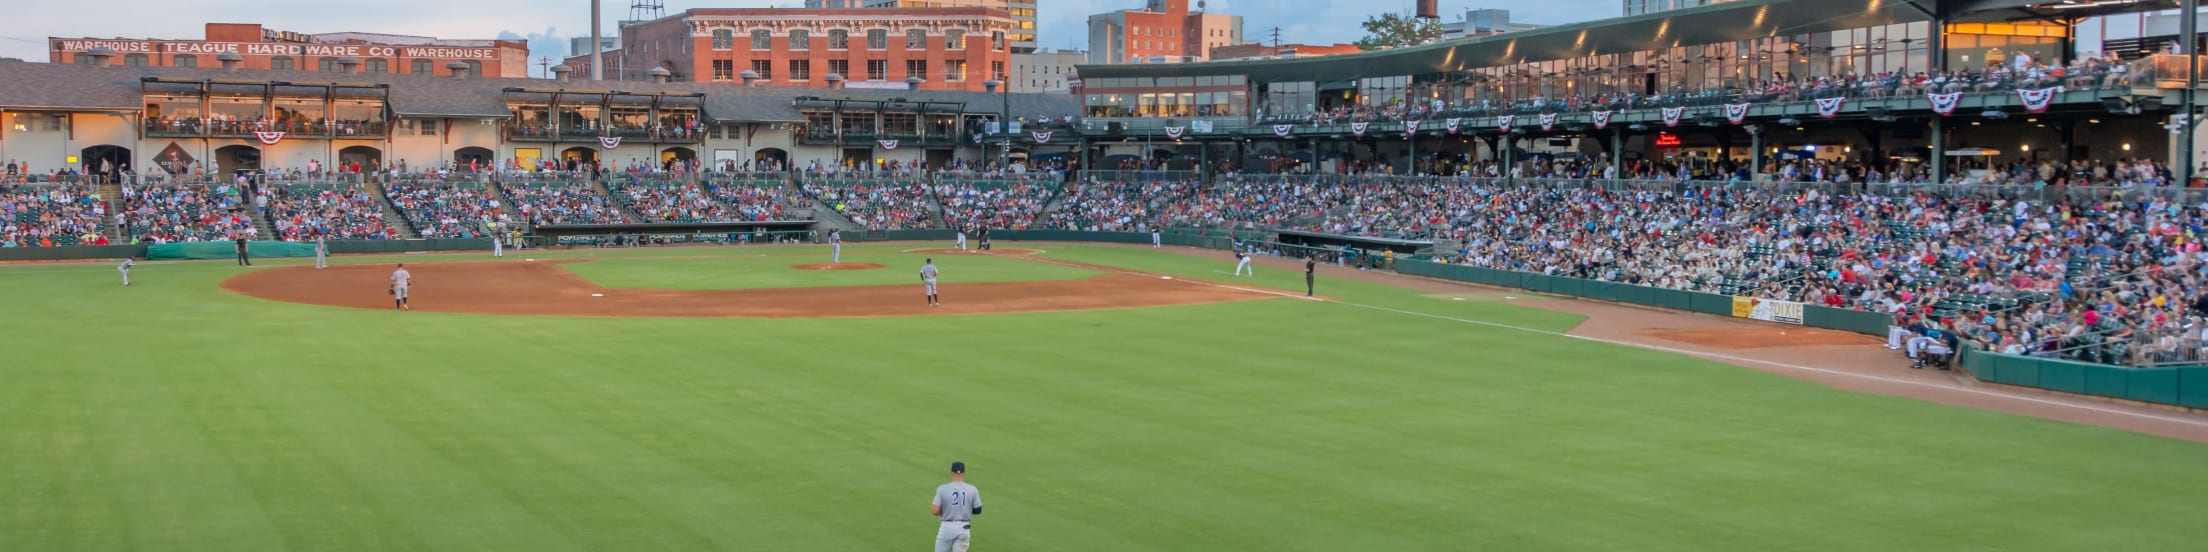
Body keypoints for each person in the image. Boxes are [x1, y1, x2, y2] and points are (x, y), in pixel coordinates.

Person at [930, 461, 982, 552]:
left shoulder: (942, 489)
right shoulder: (972, 489)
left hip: (947, 527)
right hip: (964, 528)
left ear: (951, 473)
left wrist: (945, 510)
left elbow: (934, 511)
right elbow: (978, 510)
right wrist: (966, 509)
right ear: (964, 473)